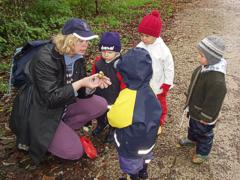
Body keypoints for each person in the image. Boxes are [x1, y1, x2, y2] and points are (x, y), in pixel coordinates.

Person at [9, 18, 111, 165]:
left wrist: (90, 86)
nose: (85, 45)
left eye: (87, 41)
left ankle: (62, 129)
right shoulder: (45, 58)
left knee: (100, 104)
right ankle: (40, 137)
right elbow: (51, 98)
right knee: (74, 152)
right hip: (41, 113)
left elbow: (80, 92)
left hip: (62, 106)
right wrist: (80, 83)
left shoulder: (77, 57)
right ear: (68, 40)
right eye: (80, 41)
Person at [107, 47, 162, 180]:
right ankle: (143, 171)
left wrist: (111, 109)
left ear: (126, 74)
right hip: (149, 139)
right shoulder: (149, 91)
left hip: (132, 143)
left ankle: (134, 176)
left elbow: (114, 119)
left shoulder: (128, 95)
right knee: (145, 157)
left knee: (130, 164)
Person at [179, 35, 227, 164]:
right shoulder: (203, 68)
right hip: (195, 108)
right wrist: (190, 95)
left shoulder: (217, 81)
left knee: (204, 133)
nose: (198, 57)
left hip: (204, 114)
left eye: (202, 55)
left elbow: (214, 102)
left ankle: (203, 152)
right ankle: (192, 139)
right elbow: (195, 83)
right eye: (198, 54)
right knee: (193, 126)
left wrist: (207, 116)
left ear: (212, 58)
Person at [137, 10, 174, 134]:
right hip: (144, 83)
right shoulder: (140, 46)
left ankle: (158, 122)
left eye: (147, 36)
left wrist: (167, 83)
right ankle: (144, 119)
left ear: (156, 35)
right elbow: (134, 59)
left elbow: (169, 67)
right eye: (142, 35)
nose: (144, 38)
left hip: (158, 84)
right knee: (144, 102)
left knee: (159, 104)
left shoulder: (163, 50)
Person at [91, 32, 125, 142]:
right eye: (103, 51)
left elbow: (124, 82)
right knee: (101, 111)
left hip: (115, 95)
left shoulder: (120, 65)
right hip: (101, 93)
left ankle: (113, 129)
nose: (106, 54)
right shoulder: (98, 62)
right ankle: (101, 123)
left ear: (117, 51)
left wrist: (123, 95)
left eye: (109, 52)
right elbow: (93, 76)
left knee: (113, 113)